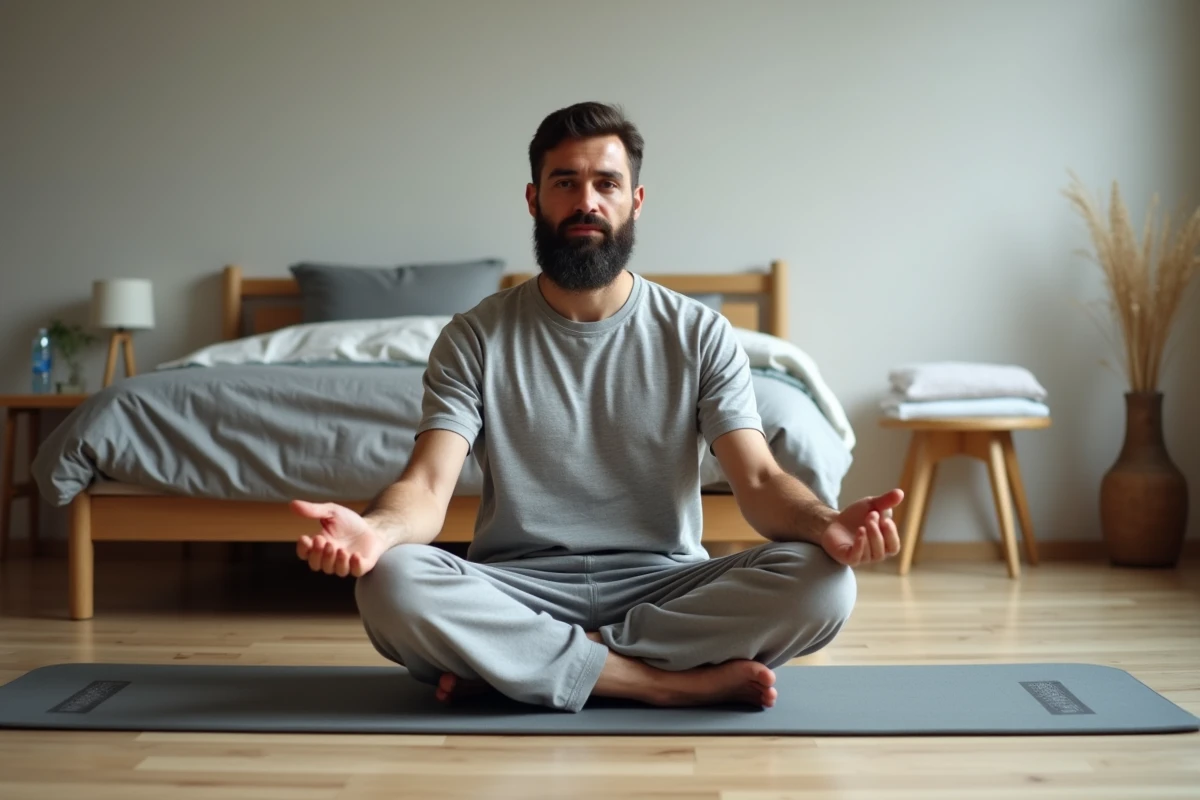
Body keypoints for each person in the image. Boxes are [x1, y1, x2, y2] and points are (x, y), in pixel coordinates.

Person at [291, 102, 903, 713]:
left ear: (635, 200)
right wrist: (377, 531)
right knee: (390, 581)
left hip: (664, 584)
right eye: (565, 182)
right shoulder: (474, 336)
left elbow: (761, 480)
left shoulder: (700, 333)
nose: (586, 201)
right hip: (519, 586)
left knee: (824, 583)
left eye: (606, 183)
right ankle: (659, 681)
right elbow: (426, 486)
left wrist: (825, 523)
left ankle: (521, 665)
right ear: (534, 199)